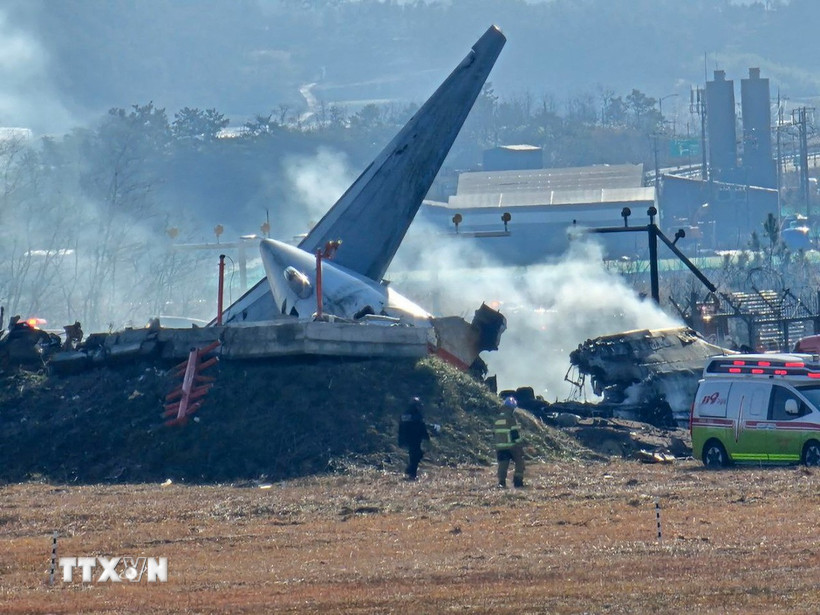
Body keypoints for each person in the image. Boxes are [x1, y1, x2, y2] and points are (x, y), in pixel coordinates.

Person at [494, 396, 525, 488]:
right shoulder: (511, 419)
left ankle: (501, 482)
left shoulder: (497, 418)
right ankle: (518, 482)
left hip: (500, 446)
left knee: (502, 465)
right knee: (520, 461)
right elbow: (515, 434)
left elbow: (494, 433)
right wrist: (520, 444)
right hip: (511, 446)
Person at [398, 397, 430, 480]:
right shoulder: (417, 415)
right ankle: (411, 473)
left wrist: (401, 439)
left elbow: (401, 427)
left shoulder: (406, 414)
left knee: (415, 455)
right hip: (415, 438)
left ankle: (410, 471)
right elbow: (421, 426)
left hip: (409, 438)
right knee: (416, 455)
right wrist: (426, 436)